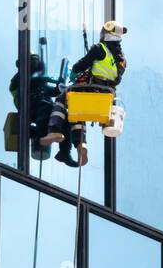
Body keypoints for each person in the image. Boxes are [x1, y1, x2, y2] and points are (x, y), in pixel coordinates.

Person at [41, 21, 128, 167]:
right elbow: (115, 78)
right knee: (77, 111)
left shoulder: (100, 49)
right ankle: (82, 146)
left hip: (91, 87)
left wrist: (75, 73)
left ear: (106, 34)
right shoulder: (122, 60)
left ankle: (54, 130)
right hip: (106, 95)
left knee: (63, 99)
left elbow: (79, 65)